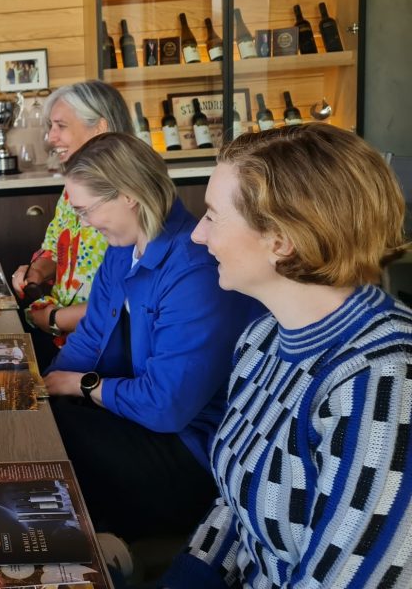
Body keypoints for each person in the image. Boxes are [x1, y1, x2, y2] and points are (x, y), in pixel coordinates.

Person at [163, 124, 412, 589]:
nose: (198, 235)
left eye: (214, 216)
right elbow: (236, 506)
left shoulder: (383, 383)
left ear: (280, 239)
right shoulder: (261, 339)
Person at [42, 133, 262, 544]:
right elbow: (90, 337)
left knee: (57, 431)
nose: (85, 223)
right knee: (43, 421)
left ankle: (113, 549)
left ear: (128, 195)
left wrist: (79, 385)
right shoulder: (122, 249)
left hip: (193, 455)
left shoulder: (193, 268)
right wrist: (46, 388)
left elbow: (166, 406)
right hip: (148, 421)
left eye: (88, 211)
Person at [9, 81, 133, 367]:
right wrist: (35, 273)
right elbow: (54, 248)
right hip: (60, 331)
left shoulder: (127, 196)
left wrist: (54, 319)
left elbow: (125, 302)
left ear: (100, 128)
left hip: (101, 349)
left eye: (61, 126)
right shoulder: (73, 187)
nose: (51, 138)